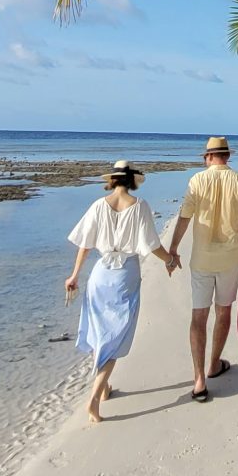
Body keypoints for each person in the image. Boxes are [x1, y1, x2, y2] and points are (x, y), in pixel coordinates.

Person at [65, 160, 179, 424]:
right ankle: (94, 397)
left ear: (113, 180)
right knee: (116, 334)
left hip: (100, 273)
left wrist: (74, 275)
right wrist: (170, 261)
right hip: (125, 274)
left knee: (100, 329)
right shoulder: (140, 207)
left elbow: (85, 244)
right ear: (131, 181)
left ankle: (104, 388)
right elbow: (152, 245)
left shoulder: (97, 205)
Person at [164, 136, 238, 403]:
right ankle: (214, 363)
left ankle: (199, 380)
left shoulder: (197, 181)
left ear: (208, 157)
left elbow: (184, 216)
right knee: (223, 311)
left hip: (201, 259)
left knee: (198, 318)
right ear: (227, 156)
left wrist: (173, 248)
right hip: (229, 258)